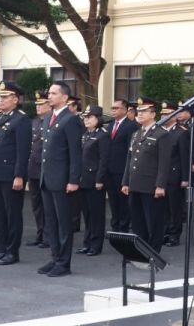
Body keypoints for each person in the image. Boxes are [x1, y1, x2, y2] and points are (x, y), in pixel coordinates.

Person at [37, 82, 82, 277]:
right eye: (49, 93)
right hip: (47, 178)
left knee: (64, 223)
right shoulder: (48, 117)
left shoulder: (70, 120)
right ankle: (55, 257)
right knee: (51, 222)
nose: (49, 96)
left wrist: (73, 180)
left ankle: (64, 263)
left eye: (54, 93)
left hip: (63, 180)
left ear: (64, 98)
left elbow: (75, 153)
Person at [0, 81, 31, 266]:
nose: (1, 100)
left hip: (11, 175)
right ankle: (1, 249)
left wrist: (19, 175)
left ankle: (12, 252)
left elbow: (22, 150)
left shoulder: (21, 120)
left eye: (5, 97)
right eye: (1, 97)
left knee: (12, 214)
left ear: (15, 99)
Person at [121, 97, 172, 253]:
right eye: (139, 111)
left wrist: (160, 185)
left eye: (144, 111)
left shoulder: (161, 134)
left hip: (151, 186)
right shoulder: (136, 134)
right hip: (135, 184)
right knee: (137, 221)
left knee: (154, 221)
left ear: (153, 114)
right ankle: (141, 250)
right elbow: (129, 159)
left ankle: (153, 253)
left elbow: (164, 163)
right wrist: (125, 182)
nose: (140, 114)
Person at [76, 105, 109, 256]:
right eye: (85, 117)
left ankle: (96, 245)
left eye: (90, 117)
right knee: (87, 214)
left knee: (96, 215)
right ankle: (87, 242)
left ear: (98, 119)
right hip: (83, 179)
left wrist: (100, 179)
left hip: (95, 180)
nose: (86, 120)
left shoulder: (102, 136)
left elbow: (104, 160)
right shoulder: (85, 135)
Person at [105, 98, 139, 233]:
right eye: (112, 108)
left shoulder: (131, 126)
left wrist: (128, 171)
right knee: (113, 200)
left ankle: (123, 227)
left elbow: (130, 151)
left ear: (125, 110)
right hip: (109, 169)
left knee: (123, 200)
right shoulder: (110, 125)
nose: (113, 110)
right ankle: (115, 225)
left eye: (116, 108)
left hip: (122, 170)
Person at [161, 103, 188, 248]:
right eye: (162, 114)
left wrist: (185, 178)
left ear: (174, 116)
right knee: (163, 207)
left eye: (167, 114)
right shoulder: (160, 131)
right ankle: (165, 232)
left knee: (175, 208)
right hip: (162, 176)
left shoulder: (181, 132)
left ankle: (174, 235)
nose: (164, 117)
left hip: (174, 176)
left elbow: (184, 157)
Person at [26, 91, 49, 248]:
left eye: (42, 104)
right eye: (37, 105)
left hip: (46, 170)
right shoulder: (34, 122)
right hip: (33, 169)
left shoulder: (52, 121)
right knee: (36, 205)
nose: (38, 107)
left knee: (47, 205)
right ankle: (40, 234)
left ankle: (48, 236)